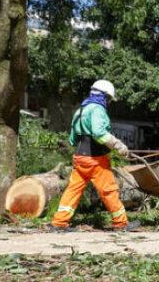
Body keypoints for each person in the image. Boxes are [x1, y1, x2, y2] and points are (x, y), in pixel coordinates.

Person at [50, 80, 140, 231]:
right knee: (109, 190)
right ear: (104, 96)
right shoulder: (97, 109)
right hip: (95, 159)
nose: (109, 102)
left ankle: (59, 223)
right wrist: (118, 146)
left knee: (73, 190)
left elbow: (72, 137)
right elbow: (99, 133)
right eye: (109, 99)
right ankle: (121, 223)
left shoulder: (81, 109)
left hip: (80, 157)